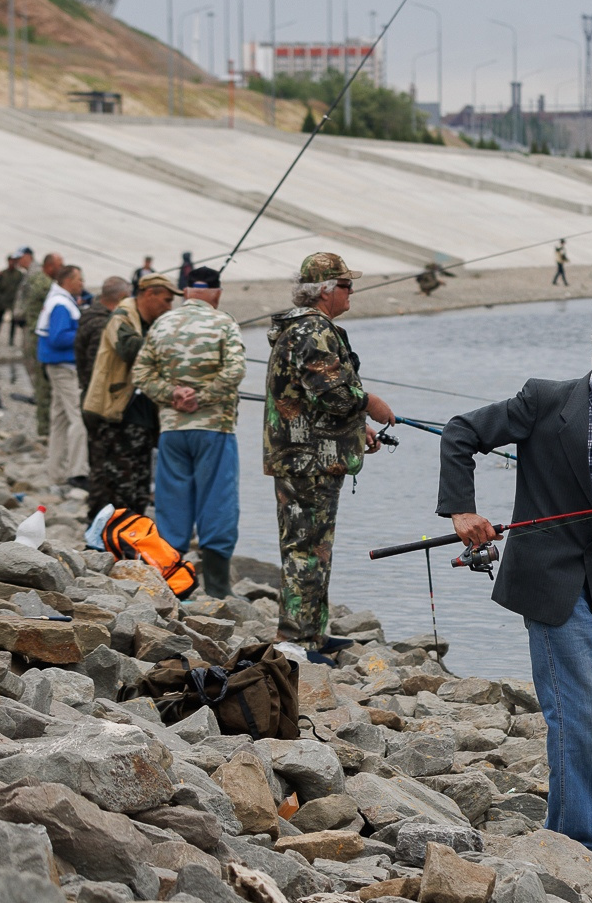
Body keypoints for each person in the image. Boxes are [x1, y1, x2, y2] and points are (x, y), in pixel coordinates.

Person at [438, 314, 592, 865]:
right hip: (549, 581)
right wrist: (461, 510)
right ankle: (576, 846)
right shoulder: (544, 401)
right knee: (581, 711)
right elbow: (461, 433)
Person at [263, 253, 394, 650]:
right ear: (324, 291)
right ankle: (295, 641)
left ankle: (312, 635)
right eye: (345, 285)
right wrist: (371, 404)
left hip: (310, 455)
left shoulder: (308, 328)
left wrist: (358, 428)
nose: (352, 291)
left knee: (316, 546)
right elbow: (332, 392)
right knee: (305, 548)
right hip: (306, 459)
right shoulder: (313, 331)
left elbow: (314, 398)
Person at [133, 265, 247, 598]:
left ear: (185, 292)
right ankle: (217, 591)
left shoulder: (162, 324)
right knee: (218, 503)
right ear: (217, 293)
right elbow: (236, 370)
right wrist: (203, 396)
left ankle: (171, 587)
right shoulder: (224, 322)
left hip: (172, 431)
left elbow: (141, 373)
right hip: (215, 429)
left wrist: (172, 394)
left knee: (172, 505)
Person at [83, 274, 174, 520]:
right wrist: (171, 346)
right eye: (166, 301)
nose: (169, 307)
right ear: (149, 294)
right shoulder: (122, 317)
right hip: (113, 416)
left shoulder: (150, 323)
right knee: (113, 487)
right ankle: (101, 545)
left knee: (139, 487)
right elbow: (130, 349)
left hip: (139, 418)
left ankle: (129, 541)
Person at [37, 263, 88, 489]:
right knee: (79, 416)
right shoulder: (60, 304)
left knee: (59, 419)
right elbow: (58, 338)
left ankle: (55, 472)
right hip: (64, 368)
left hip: (56, 366)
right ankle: (78, 471)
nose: (82, 283)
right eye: (79, 279)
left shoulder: (59, 300)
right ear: (67, 281)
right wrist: (84, 331)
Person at [19, 253, 62, 437]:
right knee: (43, 386)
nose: (62, 269)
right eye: (60, 265)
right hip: (37, 339)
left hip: (34, 335)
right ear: (51, 267)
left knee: (42, 384)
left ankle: (45, 427)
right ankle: (44, 429)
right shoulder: (45, 284)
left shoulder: (39, 279)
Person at [0, 248, 28, 345]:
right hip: (3, 301)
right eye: (10, 261)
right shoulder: (3, 273)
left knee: (13, 323)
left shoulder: (19, 274)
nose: (11, 263)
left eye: (13, 261)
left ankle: (11, 340)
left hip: (13, 301)